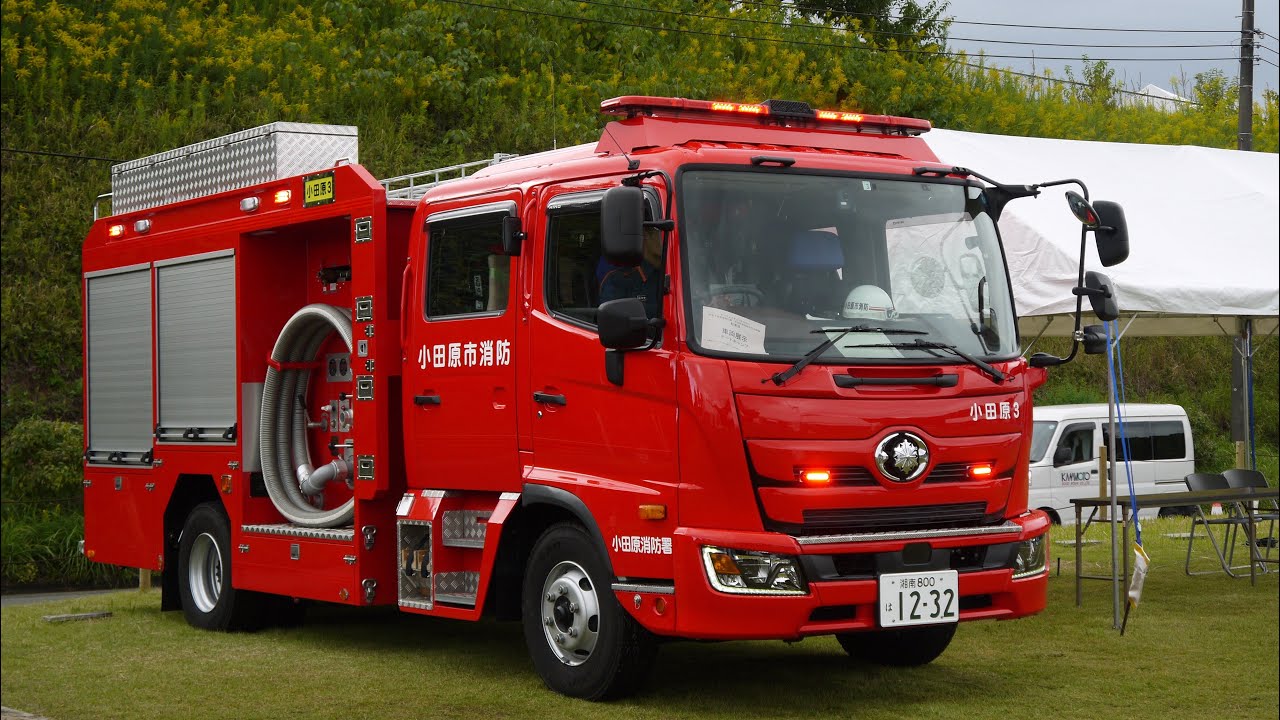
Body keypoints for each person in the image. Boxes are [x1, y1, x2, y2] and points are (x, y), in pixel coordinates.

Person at [598, 226, 663, 317]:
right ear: (646, 235)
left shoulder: (684, 276)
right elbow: (613, 321)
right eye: (662, 232)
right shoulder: (617, 281)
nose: (675, 237)